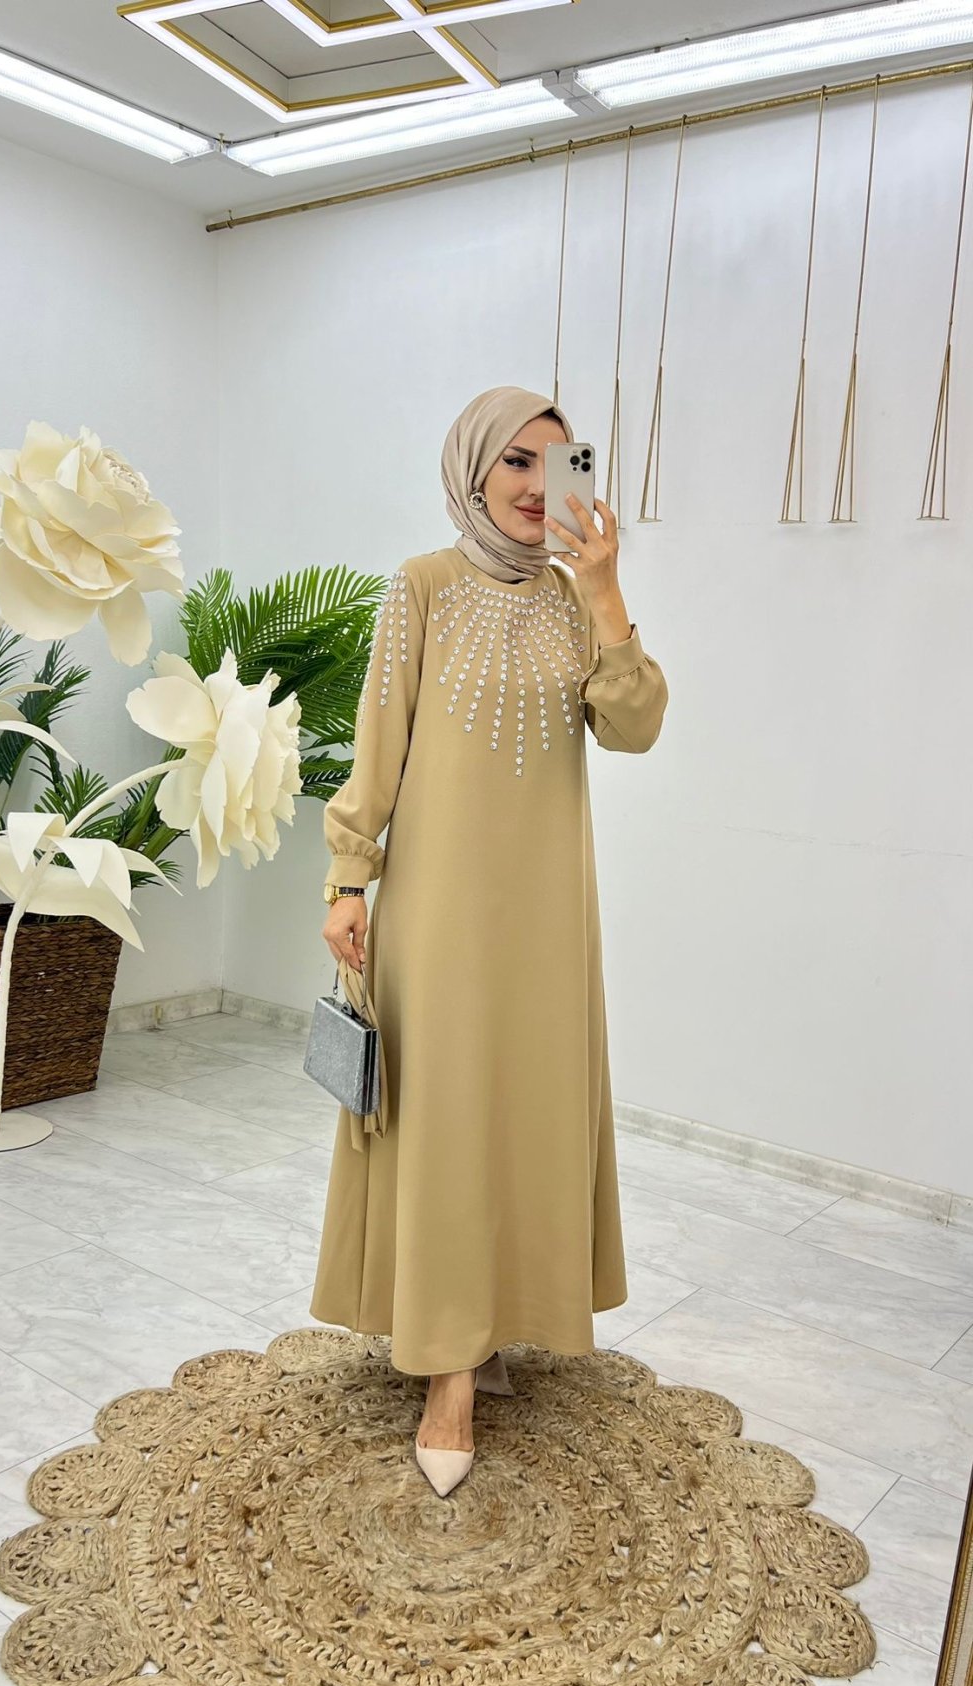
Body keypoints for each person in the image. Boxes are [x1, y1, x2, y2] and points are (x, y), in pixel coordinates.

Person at [311, 384, 669, 1496]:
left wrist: (605, 591)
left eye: (555, 464)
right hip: (440, 912)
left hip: (548, 913)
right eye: (514, 460)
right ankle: (448, 1373)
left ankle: (496, 1316)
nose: (532, 485)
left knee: (525, 1107)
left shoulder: (573, 600)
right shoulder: (420, 587)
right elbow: (379, 744)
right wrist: (348, 874)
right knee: (449, 1115)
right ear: (472, 470)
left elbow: (636, 727)